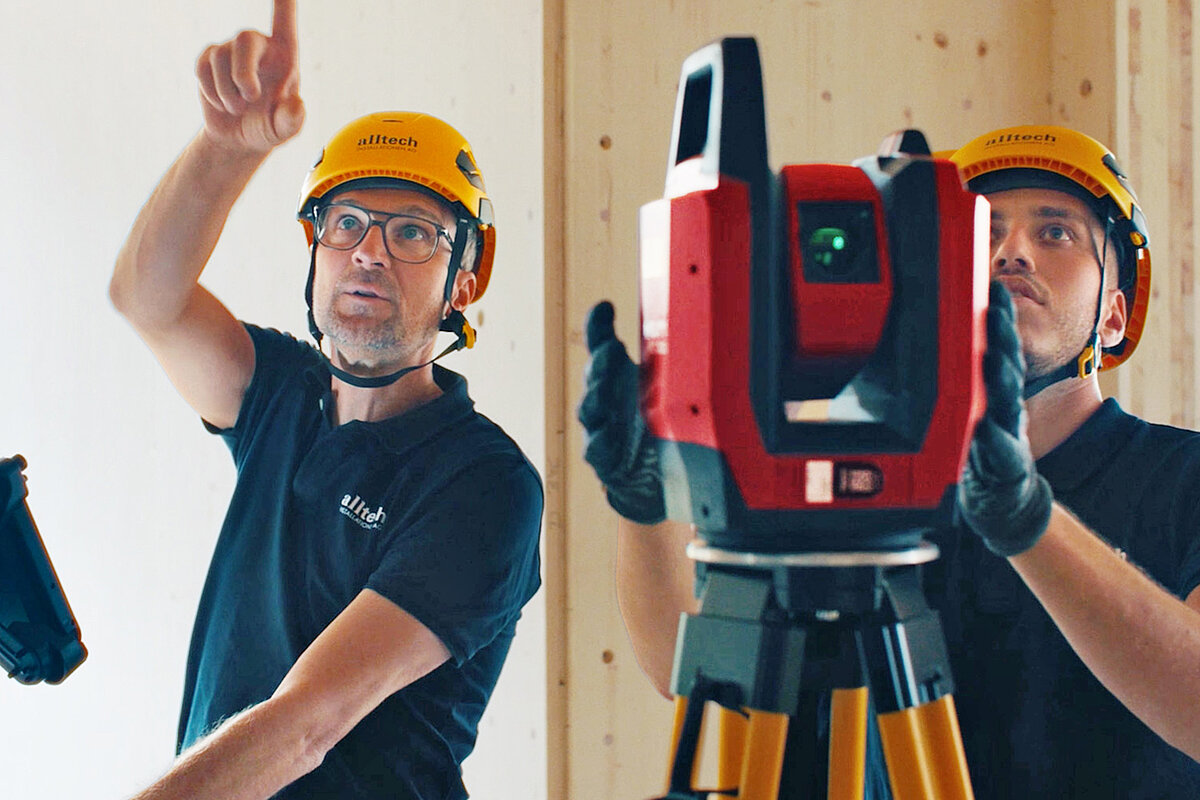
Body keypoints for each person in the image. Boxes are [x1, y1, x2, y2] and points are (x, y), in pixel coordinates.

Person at [578, 124, 1200, 797]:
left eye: (1056, 232)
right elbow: (688, 669)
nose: (1012, 251)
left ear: (1114, 316)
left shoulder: (1182, 480)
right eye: (982, 231)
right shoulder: (863, 474)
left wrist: (1027, 522)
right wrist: (646, 503)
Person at [108, 3, 542, 799]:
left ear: (465, 282)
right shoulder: (279, 393)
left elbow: (307, 723)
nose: (370, 251)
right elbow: (147, 299)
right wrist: (226, 149)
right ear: (317, 251)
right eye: (346, 223)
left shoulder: (485, 483)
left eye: (413, 232)